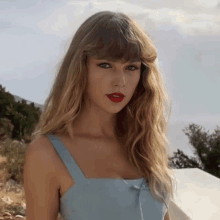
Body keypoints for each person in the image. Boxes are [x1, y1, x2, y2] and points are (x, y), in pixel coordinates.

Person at [23, 10, 176, 220]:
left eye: (131, 67)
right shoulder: (46, 153)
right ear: (80, 68)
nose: (120, 80)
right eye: (105, 65)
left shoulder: (144, 145)